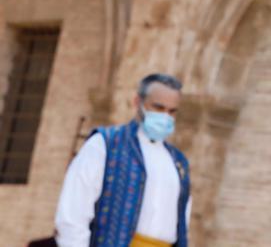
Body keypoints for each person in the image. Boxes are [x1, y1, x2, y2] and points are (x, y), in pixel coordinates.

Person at [55, 73, 191, 247]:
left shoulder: (178, 162)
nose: (165, 116)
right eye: (158, 107)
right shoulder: (106, 144)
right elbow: (73, 212)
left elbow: (182, 223)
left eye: (172, 111)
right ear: (137, 102)